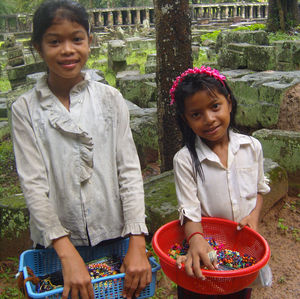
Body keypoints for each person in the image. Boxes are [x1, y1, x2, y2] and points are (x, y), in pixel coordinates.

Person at [11, 1, 152, 298]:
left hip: (113, 233)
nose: (67, 49)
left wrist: (138, 241)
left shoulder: (110, 99)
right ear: (38, 47)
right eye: (54, 41)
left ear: (90, 40)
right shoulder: (24, 109)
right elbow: (33, 184)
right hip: (56, 242)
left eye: (77, 38)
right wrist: (67, 253)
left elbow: (128, 170)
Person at [170, 66, 271, 299]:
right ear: (186, 119)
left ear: (229, 103)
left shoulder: (251, 147)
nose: (209, 119)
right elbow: (190, 211)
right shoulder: (185, 160)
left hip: (241, 250)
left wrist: (253, 218)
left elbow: (259, 189)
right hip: (205, 253)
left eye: (215, 106)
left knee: (238, 293)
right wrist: (196, 240)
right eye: (196, 114)